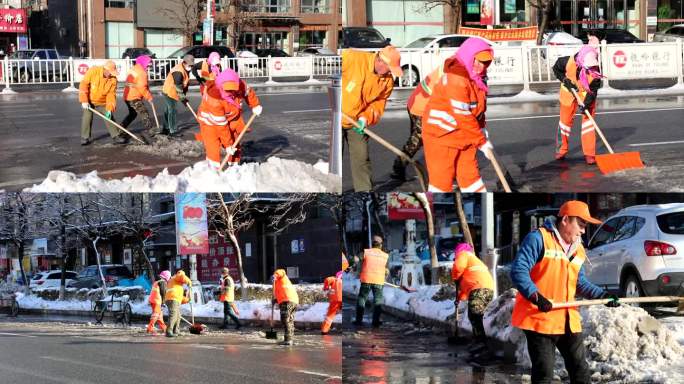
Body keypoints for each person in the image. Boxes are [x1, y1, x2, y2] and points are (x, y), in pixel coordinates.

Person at [510, 200, 619, 384]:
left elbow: (579, 282)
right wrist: (536, 296)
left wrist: (602, 296)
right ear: (566, 220)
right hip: (540, 318)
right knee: (544, 373)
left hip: (568, 318)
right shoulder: (539, 239)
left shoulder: (578, 249)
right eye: (581, 224)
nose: (583, 231)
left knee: (580, 370)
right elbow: (518, 270)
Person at [421, 37, 495, 193]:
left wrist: (481, 128)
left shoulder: (477, 79)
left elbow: (479, 109)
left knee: (471, 178)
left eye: (485, 63)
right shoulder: (456, 79)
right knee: (441, 183)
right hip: (442, 136)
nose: (480, 67)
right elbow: (462, 115)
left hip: (464, 135)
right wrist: (480, 141)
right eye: (478, 61)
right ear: (468, 55)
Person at [341, 45, 402, 191]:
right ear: (381, 61)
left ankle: (364, 193)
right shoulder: (353, 58)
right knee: (333, 161)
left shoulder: (386, 82)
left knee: (361, 158)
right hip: (336, 117)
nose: (390, 73)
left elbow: (378, 104)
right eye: (390, 68)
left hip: (356, 121)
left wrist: (365, 118)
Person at [196, 68, 261, 169]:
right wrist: (227, 145)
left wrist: (255, 105)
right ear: (220, 85)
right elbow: (221, 127)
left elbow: (248, 93)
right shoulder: (215, 99)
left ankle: (234, 166)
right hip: (210, 121)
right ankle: (213, 169)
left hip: (231, 116)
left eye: (232, 89)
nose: (230, 92)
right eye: (227, 89)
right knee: (212, 145)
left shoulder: (240, 85)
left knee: (235, 141)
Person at [390, 63, 445, 181]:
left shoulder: (454, 64)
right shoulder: (453, 71)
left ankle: (439, 171)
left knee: (426, 140)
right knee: (417, 140)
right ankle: (399, 167)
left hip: (420, 103)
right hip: (421, 107)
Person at [552, 39, 603, 164]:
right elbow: (556, 69)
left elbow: (594, 90)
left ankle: (589, 154)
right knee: (564, 123)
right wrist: (564, 79)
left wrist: (587, 104)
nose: (591, 68)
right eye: (588, 66)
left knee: (588, 123)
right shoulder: (567, 61)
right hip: (568, 93)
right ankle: (561, 150)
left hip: (586, 94)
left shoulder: (595, 71)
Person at [450, 243, 494, 351]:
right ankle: (478, 341)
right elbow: (467, 291)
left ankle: (481, 343)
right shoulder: (472, 262)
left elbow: (457, 267)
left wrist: (455, 277)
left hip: (479, 288)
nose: (456, 259)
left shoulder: (464, 254)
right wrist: (459, 298)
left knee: (475, 315)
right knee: (474, 315)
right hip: (484, 289)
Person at [79, 60, 127, 145]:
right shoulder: (93, 71)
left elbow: (111, 95)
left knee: (109, 117)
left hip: (102, 102)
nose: (112, 75)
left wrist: (109, 109)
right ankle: (85, 137)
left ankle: (116, 136)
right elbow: (84, 84)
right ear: (106, 69)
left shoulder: (113, 80)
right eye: (111, 72)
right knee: (87, 116)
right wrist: (84, 101)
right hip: (89, 101)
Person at [354, 235, 389, 327]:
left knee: (362, 299)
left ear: (372, 244)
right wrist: (385, 274)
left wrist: (353, 265)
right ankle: (376, 322)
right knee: (377, 301)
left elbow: (356, 259)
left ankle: (358, 321)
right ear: (380, 245)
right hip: (378, 281)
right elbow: (387, 270)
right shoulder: (385, 256)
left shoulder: (367, 252)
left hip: (366, 280)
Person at [121, 55, 158, 136]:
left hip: (127, 96)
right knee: (143, 112)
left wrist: (147, 91)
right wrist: (149, 97)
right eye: (148, 64)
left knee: (132, 114)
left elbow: (142, 85)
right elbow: (142, 87)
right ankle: (151, 130)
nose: (149, 66)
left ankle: (120, 129)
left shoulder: (134, 68)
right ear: (143, 63)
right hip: (133, 97)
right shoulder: (142, 73)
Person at [161, 54, 194, 136]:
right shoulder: (178, 72)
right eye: (190, 65)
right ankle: (172, 131)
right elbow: (178, 88)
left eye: (192, 65)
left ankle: (166, 128)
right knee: (172, 110)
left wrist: (184, 95)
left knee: (168, 110)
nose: (191, 67)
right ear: (184, 63)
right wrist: (183, 99)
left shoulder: (185, 68)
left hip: (173, 91)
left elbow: (184, 84)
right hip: (170, 91)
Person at [273, 268, 299, 346]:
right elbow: (281, 292)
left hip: (287, 301)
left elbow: (281, 272)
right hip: (293, 300)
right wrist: (275, 300)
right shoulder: (279, 282)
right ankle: (289, 339)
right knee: (289, 320)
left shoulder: (281, 277)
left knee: (285, 319)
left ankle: (288, 340)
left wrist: (275, 275)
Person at [164, 270, 192, 337]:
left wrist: (188, 300)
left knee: (178, 315)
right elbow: (181, 275)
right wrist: (189, 282)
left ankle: (175, 330)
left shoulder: (177, 284)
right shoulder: (177, 276)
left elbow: (179, 298)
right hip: (172, 299)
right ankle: (169, 331)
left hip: (173, 299)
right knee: (173, 314)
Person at [321, 270, 342, 335]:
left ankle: (324, 330)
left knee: (330, 315)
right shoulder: (341, 280)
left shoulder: (335, 279)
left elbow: (327, 279)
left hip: (335, 299)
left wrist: (326, 288)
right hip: (340, 299)